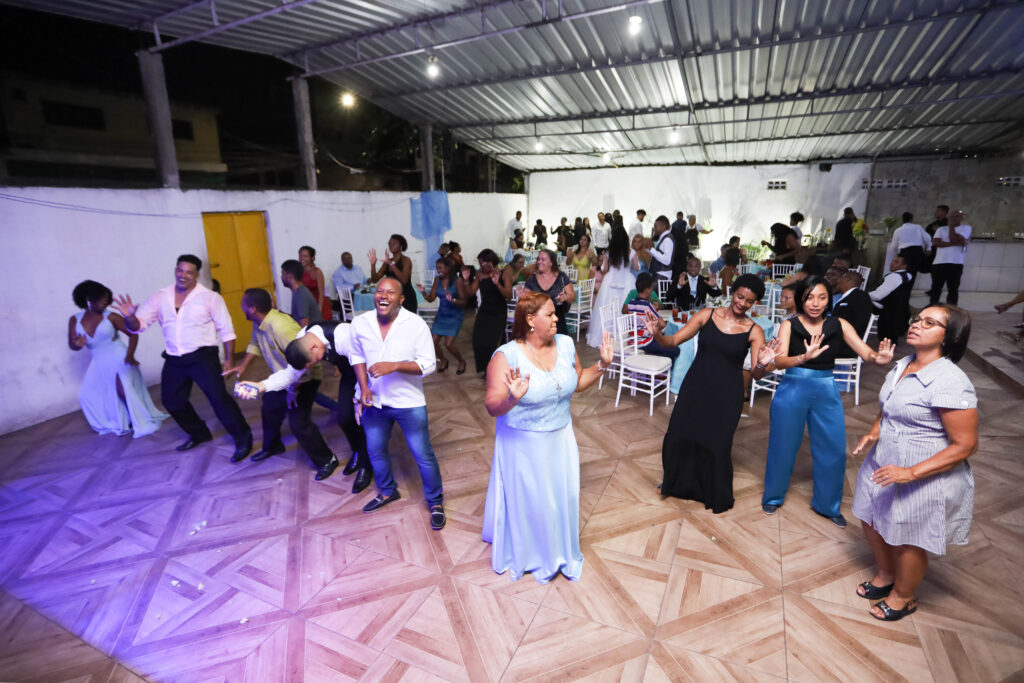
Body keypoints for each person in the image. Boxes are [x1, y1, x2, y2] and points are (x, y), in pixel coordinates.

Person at [850, 305, 977, 621]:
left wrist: (911, 472)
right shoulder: (903, 364)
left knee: (909, 538)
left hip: (924, 471)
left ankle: (903, 597)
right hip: (884, 462)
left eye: (930, 323)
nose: (917, 325)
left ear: (950, 337)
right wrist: (874, 431)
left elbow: (966, 445)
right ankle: (886, 574)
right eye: (917, 319)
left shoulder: (951, 381)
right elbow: (890, 406)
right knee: (870, 518)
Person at [482, 291, 614, 582]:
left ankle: (555, 548)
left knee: (559, 498)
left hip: (561, 439)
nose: (557, 318)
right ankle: (531, 552)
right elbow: (492, 406)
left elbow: (577, 382)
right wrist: (512, 399)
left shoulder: (565, 344)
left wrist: (602, 364)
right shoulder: (506, 356)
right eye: (551, 314)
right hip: (524, 444)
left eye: (556, 314)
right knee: (533, 504)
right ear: (530, 320)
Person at [761, 276, 895, 527]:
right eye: (809, 297)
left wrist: (880, 358)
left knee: (833, 448)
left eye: (822, 297)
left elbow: (866, 352)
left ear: (828, 300)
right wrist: (803, 357)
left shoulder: (839, 324)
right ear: (801, 299)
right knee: (782, 446)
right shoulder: (789, 325)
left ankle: (828, 505)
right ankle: (773, 496)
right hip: (793, 388)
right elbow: (778, 362)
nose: (815, 303)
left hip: (826, 389)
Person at [646, 275, 776, 513]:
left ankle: (711, 490)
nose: (742, 303)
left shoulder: (755, 331)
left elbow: (757, 375)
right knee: (678, 435)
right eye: (740, 296)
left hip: (728, 393)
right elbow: (673, 340)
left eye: (749, 301)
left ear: (754, 303)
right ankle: (674, 481)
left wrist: (762, 363)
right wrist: (656, 334)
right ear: (732, 292)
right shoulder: (707, 315)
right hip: (697, 385)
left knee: (717, 444)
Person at [225, 289, 371, 488]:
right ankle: (358, 452)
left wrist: (360, 396)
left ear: (314, 348)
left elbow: (364, 366)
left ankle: (367, 465)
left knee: (361, 418)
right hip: (349, 372)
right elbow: (290, 374)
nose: (312, 366)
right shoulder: (302, 340)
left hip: (366, 370)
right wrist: (260, 386)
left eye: (313, 362)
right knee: (344, 417)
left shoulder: (343, 335)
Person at [114, 255, 253, 459]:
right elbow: (138, 327)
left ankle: (243, 438)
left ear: (197, 275)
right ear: (175, 270)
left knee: (219, 399)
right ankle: (199, 433)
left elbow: (226, 330)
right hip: (175, 358)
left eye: (189, 272)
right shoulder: (160, 297)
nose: (183, 275)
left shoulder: (210, 297)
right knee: (172, 401)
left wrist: (229, 359)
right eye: (180, 270)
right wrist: (130, 317)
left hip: (203, 357)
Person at [352, 278, 445, 529]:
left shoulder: (415, 325)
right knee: (375, 450)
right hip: (374, 401)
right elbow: (357, 356)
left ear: (401, 299)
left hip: (408, 402)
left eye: (390, 292)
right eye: (379, 291)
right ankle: (387, 491)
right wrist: (362, 388)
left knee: (423, 455)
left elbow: (429, 364)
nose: (383, 295)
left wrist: (394, 366)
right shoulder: (360, 322)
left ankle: (435, 502)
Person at [69, 280, 168, 438]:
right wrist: (77, 344)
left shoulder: (112, 317)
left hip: (119, 356)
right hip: (98, 360)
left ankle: (138, 420)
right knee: (86, 395)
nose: (105, 302)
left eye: (107, 299)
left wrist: (130, 354)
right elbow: (72, 345)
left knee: (123, 390)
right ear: (88, 299)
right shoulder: (74, 320)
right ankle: (118, 421)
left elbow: (133, 334)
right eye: (101, 298)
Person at [417, 256, 470, 374]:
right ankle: (443, 360)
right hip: (442, 314)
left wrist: (453, 300)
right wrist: (423, 292)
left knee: (449, 344)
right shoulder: (437, 280)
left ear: (448, 268)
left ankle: (461, 361)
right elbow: (431, 299)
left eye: (440, 268)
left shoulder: (458, 281)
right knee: (433, 342)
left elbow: (464, 302)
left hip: (455, 315)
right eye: (437, 268)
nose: (438, 270)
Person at [467, 249, 512, 376]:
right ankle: (486, 368)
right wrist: (466, 280)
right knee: (478, 340)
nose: (481, 266)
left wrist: (497, 284)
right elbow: (470, 292)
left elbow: (508, 295)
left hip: (498, 312)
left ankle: (495, 371)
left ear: (491, 262)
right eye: (480, 264)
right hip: (485, 311)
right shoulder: (479, 274)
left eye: (483, 263)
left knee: (493, 343)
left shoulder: (504, 273)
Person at [588, 227, 633, 348]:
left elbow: (604, 269)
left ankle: (608, 334)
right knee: (625, 306)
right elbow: (635, 266)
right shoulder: (629, 251)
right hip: (626, 281)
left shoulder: (610, 252)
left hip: (611, 281)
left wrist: (604, 262)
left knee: (608, 307)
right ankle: (625, 334)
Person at [623, 273, 679, 360]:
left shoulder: (631, 303)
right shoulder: (648, 306)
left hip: (632, 340)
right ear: (647, 291)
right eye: (652, 288)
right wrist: (657, 327)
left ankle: (653, 356)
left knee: (662, 340)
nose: (652, 290)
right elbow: (663, 324)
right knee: (675, 350)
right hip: (644, 342)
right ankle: (657, 362)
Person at [524, 249, 575, 336]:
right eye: (538, 259)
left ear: (551, 263)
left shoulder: (561, 277)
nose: (539, 262)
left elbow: (572, 296)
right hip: (538, 326)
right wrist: (523, 297)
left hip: (558, 324)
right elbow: (526, 303)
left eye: (543, 259)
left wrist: (566, 297)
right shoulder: (531, 279)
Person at [928, 209, 971, 306]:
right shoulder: (941, 229)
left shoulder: (966, 228)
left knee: (953, 289)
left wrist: (951, 227)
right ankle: (932, 309)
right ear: (948, 217)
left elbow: (953, 238)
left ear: (962, 218)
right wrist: (955, 243)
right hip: (939, 263)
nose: (954, 218)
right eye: (952, 216)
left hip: (956, 263)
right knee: (936, 289)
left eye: (957, 216)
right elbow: (935, 243)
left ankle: (951, 311)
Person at [870, 254, 914, 343]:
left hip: (885, 308)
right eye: (892, 261)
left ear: (904, 266)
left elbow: (878, 296)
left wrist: (864, 294)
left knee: (855, 301)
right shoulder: (908, 275)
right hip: (898, 309)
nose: (892, 264)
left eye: (896, 262)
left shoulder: (894, 277)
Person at [368, 234, 417, 313]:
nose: (391, 245)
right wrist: (373, 265)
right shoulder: (388, 262)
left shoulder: (406, 260)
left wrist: (391, 263)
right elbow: (374, 280)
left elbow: (404, 280)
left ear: (401, 246)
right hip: (393, 299)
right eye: (389, 243)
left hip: (406, 297)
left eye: (394, 243)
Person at [832, 270, 873, 355]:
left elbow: (860, 323)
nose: (837, 281)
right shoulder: (845, 296)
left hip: (846, 344)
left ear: (848, 279)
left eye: (840, 278)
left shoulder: (860, 297)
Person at [888, 212, 931, 283]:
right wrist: (929, 248)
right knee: (913, 271)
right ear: (911, 219)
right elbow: (927, 238)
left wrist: (896, 255)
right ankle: (908, 288)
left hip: (904, 252)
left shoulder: (898, 230)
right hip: (917, 251)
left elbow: (894, 246)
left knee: (903, 271)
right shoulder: (917, 227)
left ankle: (904, 288)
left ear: (902, 219)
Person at [281, 259, 321, 327]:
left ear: (290, 276)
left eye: (283, 274)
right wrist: (282, 314)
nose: (281, 277)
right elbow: (297, 319)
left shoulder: (301, 295)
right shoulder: (298, 292)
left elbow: (304, 327)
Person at [298, 246, 332, 323]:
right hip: (308, 307)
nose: (302, 258)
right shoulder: (299, 272)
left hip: (320, 306)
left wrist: (318, 312)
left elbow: (321, 294)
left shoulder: (317, 272)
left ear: (312, 258)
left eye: (305, 256)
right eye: (300, 255)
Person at [646, 215, 676, 283]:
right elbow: (657, 255)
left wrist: (651, 249)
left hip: (662, 275)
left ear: (663, 227)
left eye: (656, 226)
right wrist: (647, 248)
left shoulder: (667, 239)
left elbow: (667, 260)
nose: (654, 228)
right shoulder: (663, 238)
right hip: (658, 274)